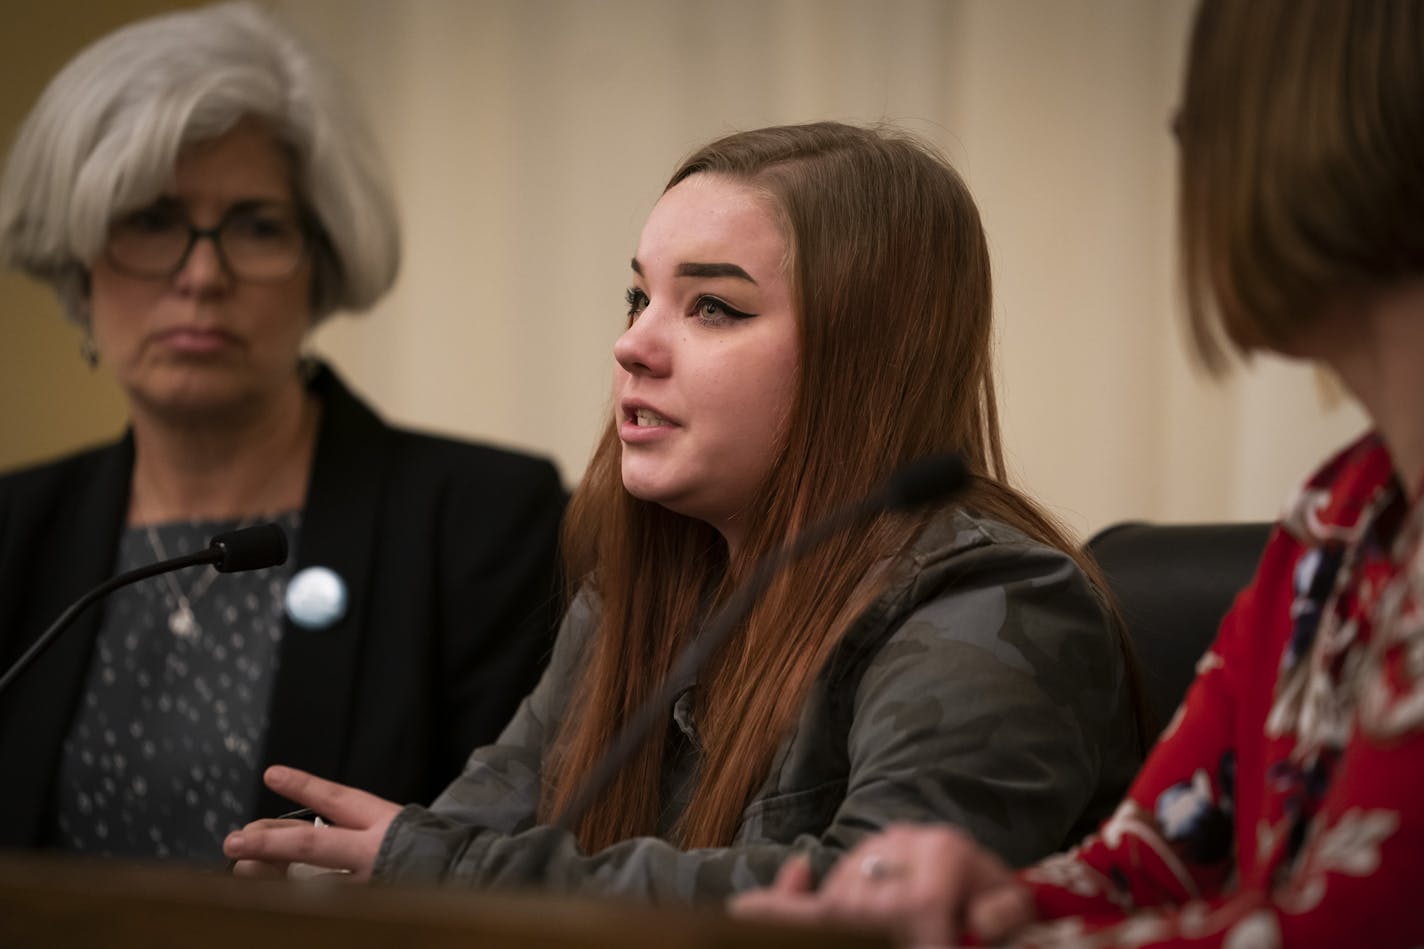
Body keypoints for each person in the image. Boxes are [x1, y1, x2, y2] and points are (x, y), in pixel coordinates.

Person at [221, 121, 1144, 903]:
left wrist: (430, 864)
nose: (632, 345)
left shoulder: (992, 595)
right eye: (639, 296)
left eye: (711, 306)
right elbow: (466, 834)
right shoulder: (638, 590)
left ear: (864, 356)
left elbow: (860, 906)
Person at [732, 2, 1424, 946]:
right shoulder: (1338, 516)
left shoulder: (989, 585)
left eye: (1210, 113)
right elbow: (1148, 859)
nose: (1184, 146)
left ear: (1336, 126)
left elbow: (1349, 932)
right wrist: (992, 901)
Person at [0, 2, 565, 864]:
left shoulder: (484, 521)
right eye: (151, 220)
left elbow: (517, 862)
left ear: (321, 262)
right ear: (79, 261)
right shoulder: (14, 529)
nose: (202, 274)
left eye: (257, 226)